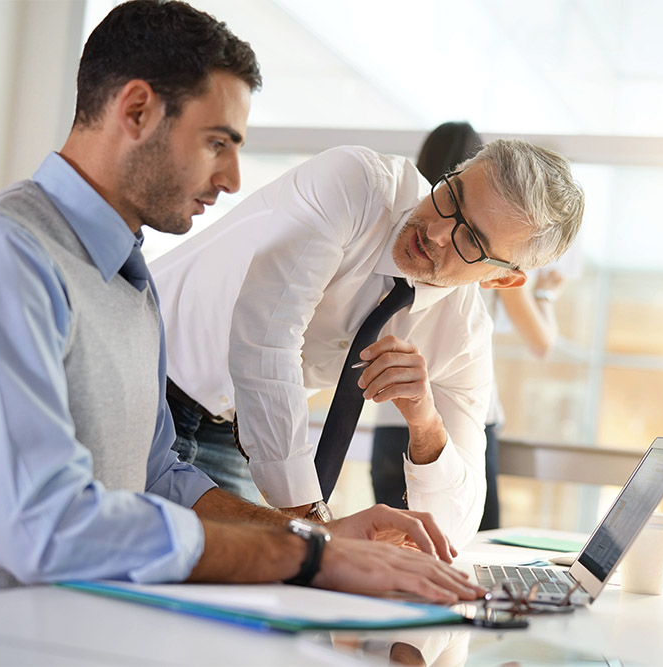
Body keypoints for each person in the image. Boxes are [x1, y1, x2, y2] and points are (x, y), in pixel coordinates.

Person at [0, 0, 481, 605]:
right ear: (138, 111)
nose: (232, 178)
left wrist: (321, 537)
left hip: (70, 630)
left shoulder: (130, 281)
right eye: (217, 142)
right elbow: (47, 526)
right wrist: (306, 556)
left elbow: (160, 480)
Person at [151, 129, 585, 547]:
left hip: (229, 430)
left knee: (237, 594)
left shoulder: (462, 333)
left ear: (503, 280)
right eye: (451, 197)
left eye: (470, 240)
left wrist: (426, 420)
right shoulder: (354, 183)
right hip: (144, 374)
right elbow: (266, 341)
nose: (435, 232)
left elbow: (456, 524)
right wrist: (316, 527)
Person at [371, 122, 565, 531]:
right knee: (453, 551)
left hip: (387, 420)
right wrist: (546, 296)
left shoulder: (412, 229)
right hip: (455, 427)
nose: (451, 235)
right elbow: (541, 341)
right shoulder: (493, 242)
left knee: (394, 549)